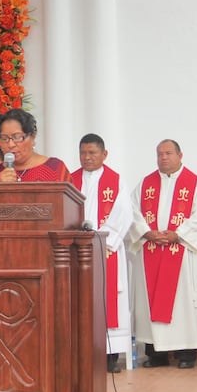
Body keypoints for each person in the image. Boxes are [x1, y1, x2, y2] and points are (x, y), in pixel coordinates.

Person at [127, 139, 197, 369]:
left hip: (182, 252)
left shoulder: (195, 183)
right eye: (159, 154)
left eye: (168, 153)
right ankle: (156, 355)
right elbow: (133, 213)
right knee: (151, 304)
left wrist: (176, 235)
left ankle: (186, 354)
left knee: (183, 304)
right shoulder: (145, 184)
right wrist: (147, 233)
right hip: (151, 251)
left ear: (180, 155)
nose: (163, 158)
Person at [71, 133, 133, 373]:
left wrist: (105, 241)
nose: (87, 158)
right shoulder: (70, 180)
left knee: (108, 300)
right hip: (77, 250)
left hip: (107, 250)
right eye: (83, 153)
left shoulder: (116, 181)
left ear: (104, 154)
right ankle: (82, 353)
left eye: (92, 153)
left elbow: (123, 214)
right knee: (80, 300)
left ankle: (109, 357)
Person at [0, 109, 72, 183]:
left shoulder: (55, 169)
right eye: (4, 138)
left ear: (32, 136)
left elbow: (68, 203)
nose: (10, 145)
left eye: (17, 137)